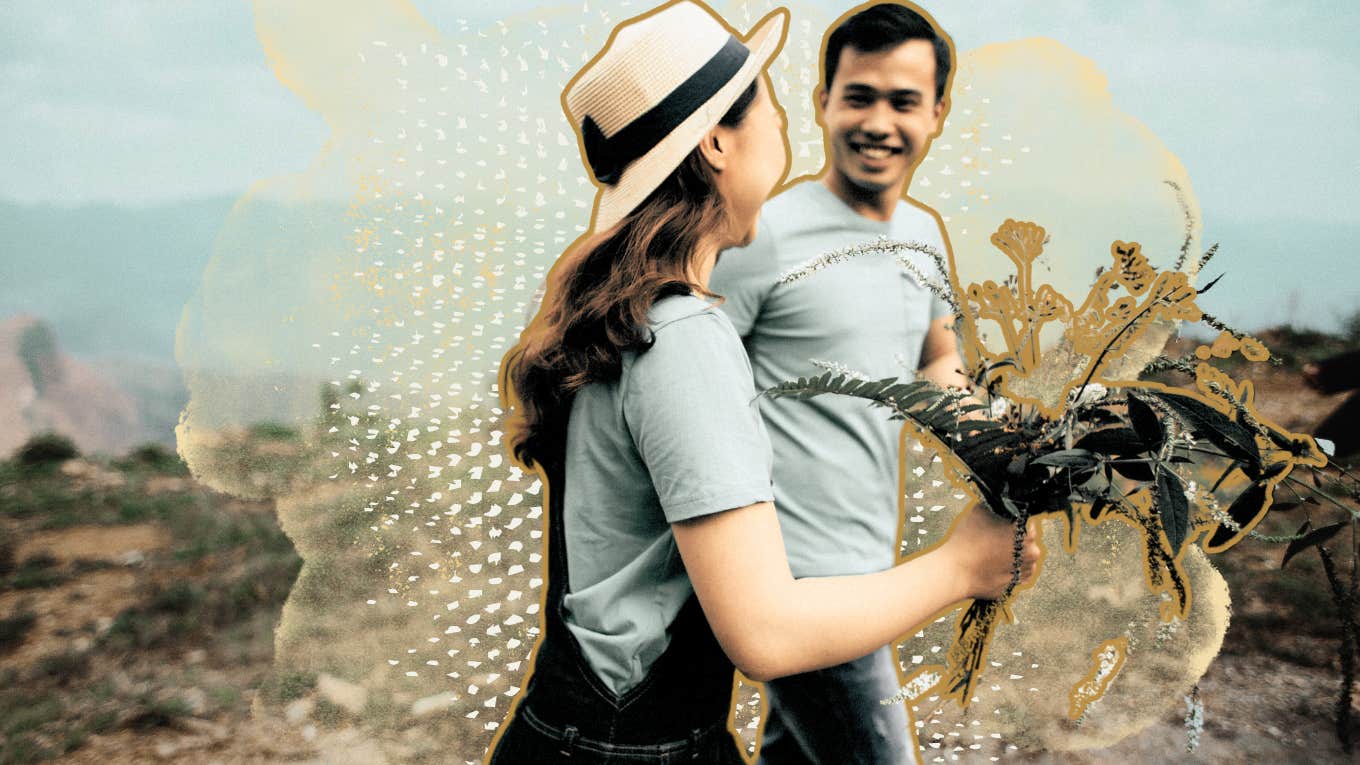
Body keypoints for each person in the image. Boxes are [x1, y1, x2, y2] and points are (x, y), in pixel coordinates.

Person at [486, 2, 1038, 763]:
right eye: (769, 100)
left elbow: (937, 359)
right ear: (717, 141)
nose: (781, 121)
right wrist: (962, 564)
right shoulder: (684, 338)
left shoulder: (645, 312)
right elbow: (766, 632)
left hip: (610, 733)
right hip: (632, 747)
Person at [708, 3, 969, 763]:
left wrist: (1014, 438)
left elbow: (936, 359)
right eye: (859, 95)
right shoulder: (765, 236)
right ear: (823, 102)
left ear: (937, 114)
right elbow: (693, 379)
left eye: (903, 101)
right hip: (792, 580)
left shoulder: (923, 233)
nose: (878, 121)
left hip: (866, 570)